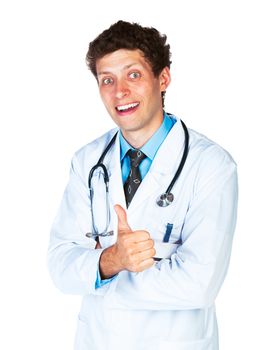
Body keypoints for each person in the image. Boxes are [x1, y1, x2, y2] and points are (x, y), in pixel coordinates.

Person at [48, 20, 238, 350]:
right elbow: (60, 267)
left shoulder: (212, 165)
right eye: (107, 80)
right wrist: (115, 260)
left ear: (162, 78)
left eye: (133, 75)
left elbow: (200, 284)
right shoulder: (87, 162)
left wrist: (98, 271)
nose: (119, 91)